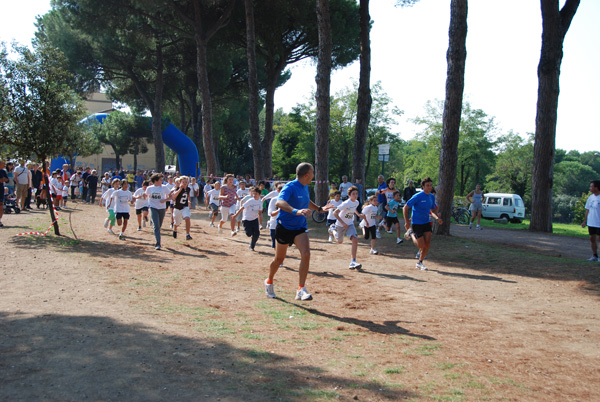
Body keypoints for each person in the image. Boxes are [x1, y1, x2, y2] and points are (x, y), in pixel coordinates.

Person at [265, 162, 325, 301]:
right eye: (312, 172)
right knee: (279, 260)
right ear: (306, 175)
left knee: (306, 253)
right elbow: (279, 203)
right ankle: (269, 281)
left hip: (300, 227)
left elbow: (306, 200)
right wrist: (296, 211)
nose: (314, 175)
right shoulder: (290, 187)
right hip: (284, 227)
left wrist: (319, 209)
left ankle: (301, 289)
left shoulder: (305, 187)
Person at [403, 177, 442, 271]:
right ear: (423, 186)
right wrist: (407, 222)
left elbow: (432, 210)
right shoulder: (418, 196)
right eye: (427, 185)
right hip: (417, 223)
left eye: (430, 185)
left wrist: (437, 218)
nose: (429, 187)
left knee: (427, 243)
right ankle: (411, 233)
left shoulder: (432, 197)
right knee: (421, 245)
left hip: (426, 222)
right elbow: (405, 208)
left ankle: (420, 262)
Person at [331, 186, 363, 270]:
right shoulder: (345, 203)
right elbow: (335, 213)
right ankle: (332, 230)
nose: (355, 195)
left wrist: (358, 214)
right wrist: (342, 223)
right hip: (340, 224)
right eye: (353, 194)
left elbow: (354, 208)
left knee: (355, 239)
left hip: (350, 224)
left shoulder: (356, 202)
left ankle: (353, 261)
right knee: (340, 241)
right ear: (349, 195)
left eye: (356, 194)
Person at [145, 173, 172, 250]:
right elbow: (146, 195)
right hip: (153, 207)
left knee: (159, 225)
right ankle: (158, 243)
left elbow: (171, 196)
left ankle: (153, 222)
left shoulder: (164, 188)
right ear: (155, 180)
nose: (162, 181)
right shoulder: (149, 188)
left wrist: (165, 200)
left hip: (162, 208)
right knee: (156, 226)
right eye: (160, 179)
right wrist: (143, 196)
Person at [233, 186, 263, 251]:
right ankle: (251, 234)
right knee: (249, 234)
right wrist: (236, 215)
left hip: (254, 219)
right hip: (246, 219)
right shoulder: (250, 200)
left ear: (259, 195)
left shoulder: (260, 202)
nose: (254, 195)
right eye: (253, 193)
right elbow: (242, 208)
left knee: (257, 234)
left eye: (256, 194)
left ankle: (252, 246)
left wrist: (260, 217)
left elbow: (260, 211)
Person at [581, 180, 600, 261]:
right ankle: (594, 255)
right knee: (592, 238)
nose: (590, 188)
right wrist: (585, 221)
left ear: (596, 187)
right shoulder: (590, 197)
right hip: (591, 222)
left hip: (599, 222)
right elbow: (587, 210)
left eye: (591, 186)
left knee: (599, 239)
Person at [170, 176, 193, 240]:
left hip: (185, 207)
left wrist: (189, 200)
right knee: (177, 223)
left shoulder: (188, 189)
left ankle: (187, 234)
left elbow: (188, 195)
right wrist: (180, 189)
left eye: (186, 182)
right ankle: (175, 229)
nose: (185, 183)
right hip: (177, 208)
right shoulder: (177, 189)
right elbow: (173, 197)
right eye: (183, 182)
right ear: (180, 182)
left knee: (187, 218)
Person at [0, 160, 8, 227]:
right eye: (3, 164)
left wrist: (4, 179)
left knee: (1, 205)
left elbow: (7, 180)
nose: (4, 165)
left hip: (1, 190)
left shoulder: (3, 171)